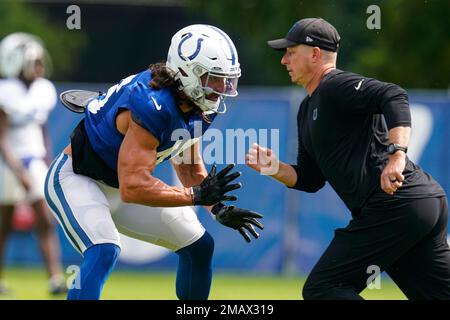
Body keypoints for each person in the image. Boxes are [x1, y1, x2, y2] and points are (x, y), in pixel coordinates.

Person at [44, 24, 264, 300]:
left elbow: (187, 165)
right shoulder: (153, 104)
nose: (222, 88)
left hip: (121, 186)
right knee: (103, 249)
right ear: (187, 71)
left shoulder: (197, 102)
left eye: (226, 79)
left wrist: (217, 208)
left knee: (199, 246)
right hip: (78, 178)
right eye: (213, 78)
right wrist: (194, 196)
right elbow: (133, 187)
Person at [246, 17, 450, 300]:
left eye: (291, 52)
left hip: (394, 204)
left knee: (323, 288)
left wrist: (397, 155)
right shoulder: (306, 110)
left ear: (315, 53)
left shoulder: (334, 85)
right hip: (418, 206)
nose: (284, 61)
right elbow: (310, 179)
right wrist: (274, 168)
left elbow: (393, 95)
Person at [0, 32, 67, 294]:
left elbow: (41, 130)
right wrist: (19, 171)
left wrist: (46, 159)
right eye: (33, 63)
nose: (39, 68)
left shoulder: (43, 90)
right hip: (8, 164)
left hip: (34, 160)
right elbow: (2, 138)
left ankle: (55, 278)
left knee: (45, 219)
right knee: (3, 225)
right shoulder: (6, 91)